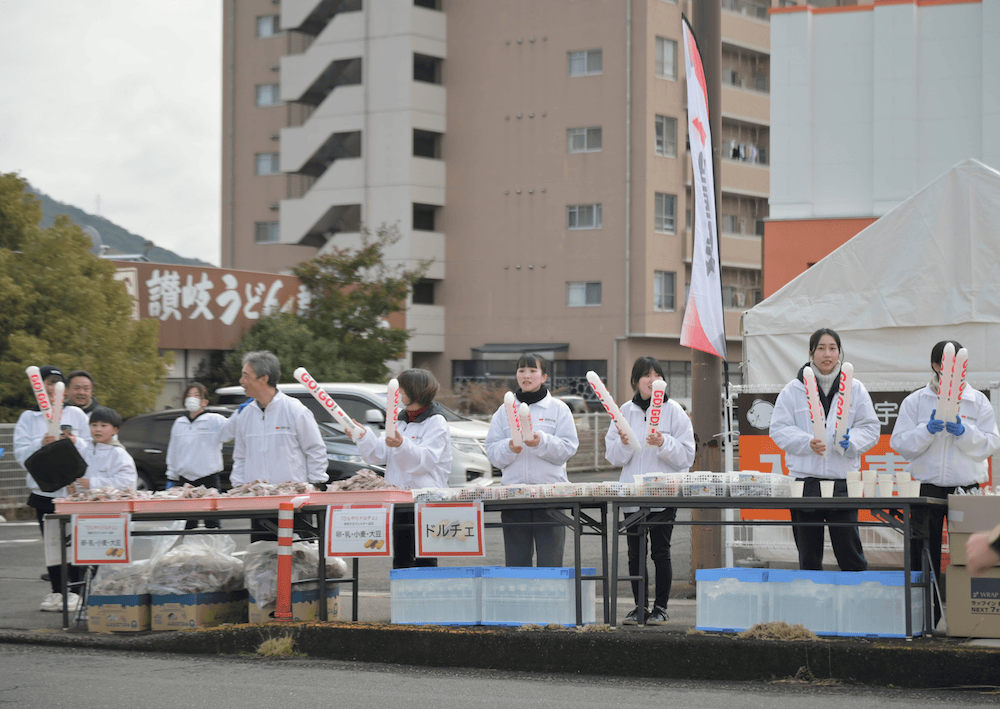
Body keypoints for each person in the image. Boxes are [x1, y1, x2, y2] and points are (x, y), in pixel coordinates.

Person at [889, 340, 1000, 623]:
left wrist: (965, 432)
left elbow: (990, 444)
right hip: (927, 488)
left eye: (961, 367)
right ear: (937, 366)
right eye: (949, 366)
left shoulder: (978, 401)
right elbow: (901, 444)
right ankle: (925, 617)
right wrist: (926, 431)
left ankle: (973, 616)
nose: (957, 372)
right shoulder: (916, 401)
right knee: (923, 553)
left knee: (972, 552)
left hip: (967, 489)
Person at [769, 328, 880, 572]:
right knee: (809, 554)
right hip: (805, 481)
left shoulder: (856, 388)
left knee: (850, 551)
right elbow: (778, 428)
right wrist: (805, 442)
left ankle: (855, 601)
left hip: (843, 481)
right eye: (821, 348)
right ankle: (812, 602)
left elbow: (871, 427)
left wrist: (852, 442)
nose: (827, 354)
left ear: (840, 353)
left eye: (832, 348)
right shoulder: (793, 390)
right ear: (811, 352)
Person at [605, 357, 694, 626]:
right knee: (635, 553)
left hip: (663, 493)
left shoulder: (674, 410)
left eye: (656, 374)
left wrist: (663, 442)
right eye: (645, 375)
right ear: (635, 381)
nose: (651, 379)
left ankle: (661, 607)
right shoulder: (624, 412)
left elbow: (687, 456)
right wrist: (624, 443)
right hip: (633, 493)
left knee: (661, 551)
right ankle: (639, 606)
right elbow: (612, 456)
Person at [486, 353, 579, 567]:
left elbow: (568, 448)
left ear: (544, 376)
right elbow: (492, 452)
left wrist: (541, 442)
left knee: (550, 562)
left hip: (550, 496)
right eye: (521, 371)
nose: (526, 376)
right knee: (517, 563)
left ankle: (550, 601)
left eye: (532, 371)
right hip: (514, 496)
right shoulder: (503, 411)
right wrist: (509, 447)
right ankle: (521, 600)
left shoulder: (558, 409)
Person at [354, 369, 452, 568]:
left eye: (401, 388)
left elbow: (424, 461)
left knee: (425, 557)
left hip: (425, 500)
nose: (396, 393)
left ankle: (424, 598)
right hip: (399, 498)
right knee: (401, 557)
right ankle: (403, 597)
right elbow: (380, 454)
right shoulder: (399, 419)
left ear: (416, 390)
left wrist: (401, 444)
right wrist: (363, 436)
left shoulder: (436, 422)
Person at [13, 365, 92, 612]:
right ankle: (58, 592)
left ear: (64, 390)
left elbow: (91, 446)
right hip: (44, 491)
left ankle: (77, 592)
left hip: (73, 492)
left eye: (56, 383)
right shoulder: (28, 417)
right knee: (52, 546)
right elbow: (19, 452)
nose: (51, 387)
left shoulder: (77, 415)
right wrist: (41, 442)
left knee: (77, 543)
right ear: (39, 385)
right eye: (47, 382)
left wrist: (74, 441)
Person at [230, 351, 328, 540]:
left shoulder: (295, 410)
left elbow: (315, 449)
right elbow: (240, 457)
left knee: (299, 561)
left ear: (263, 379)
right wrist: (238, 488)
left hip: (293, 503)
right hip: (258, 504)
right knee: (262, 560)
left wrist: (314, 485)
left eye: (246, 375)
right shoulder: (245, 415)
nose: (241, 381)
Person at [165, 383, 228, 529]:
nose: (191, 398)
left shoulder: (214, 420)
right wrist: (171, 476)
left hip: (208, 477)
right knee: (187, 522)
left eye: (196, 395)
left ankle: (213, 550)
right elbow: (173, 450)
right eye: (189, 395)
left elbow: (232, 429)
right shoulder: (179, 423)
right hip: (185, 479)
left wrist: (240, 414)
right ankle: (188, 550)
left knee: (212, 520)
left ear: (204, 402)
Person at [78, 406, 138, 491]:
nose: (98, 429)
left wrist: (93, 483)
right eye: (94, 425)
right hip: (84, 501)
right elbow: (76, 475)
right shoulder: (85, 450)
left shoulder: (118, 453)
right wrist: (73, 486)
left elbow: (127, 481)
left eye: (103, 425)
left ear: (115, 430)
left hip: (109, 502)